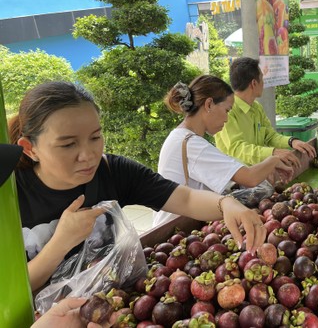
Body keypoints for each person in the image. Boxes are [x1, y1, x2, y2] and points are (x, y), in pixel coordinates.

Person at [9, 81, 266, 293]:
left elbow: (184, 199)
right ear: (29, 148)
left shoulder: (113, 171)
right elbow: (8, 292)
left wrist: (225, 203)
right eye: (68, 144)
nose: (87, 155)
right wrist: (61, 242)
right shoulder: (9, 196)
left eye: (96, 137)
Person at [153, 76, 293, 227]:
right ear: (209, 104)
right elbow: (250, 178)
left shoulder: (181, 136)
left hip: (180, 225)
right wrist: (274, 159)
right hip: (176, 229)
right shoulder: (192, 144)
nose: (227, 119)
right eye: (227, 110)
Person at [214, 57, 316, 167]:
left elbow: (270, 136)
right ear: (254, 83)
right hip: (236, 179)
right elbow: (236, 148)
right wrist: (273, 152)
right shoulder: (227, 111)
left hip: (259, 174)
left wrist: (292, 141)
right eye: (262, 78)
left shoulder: (256, 107)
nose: (263, 83)